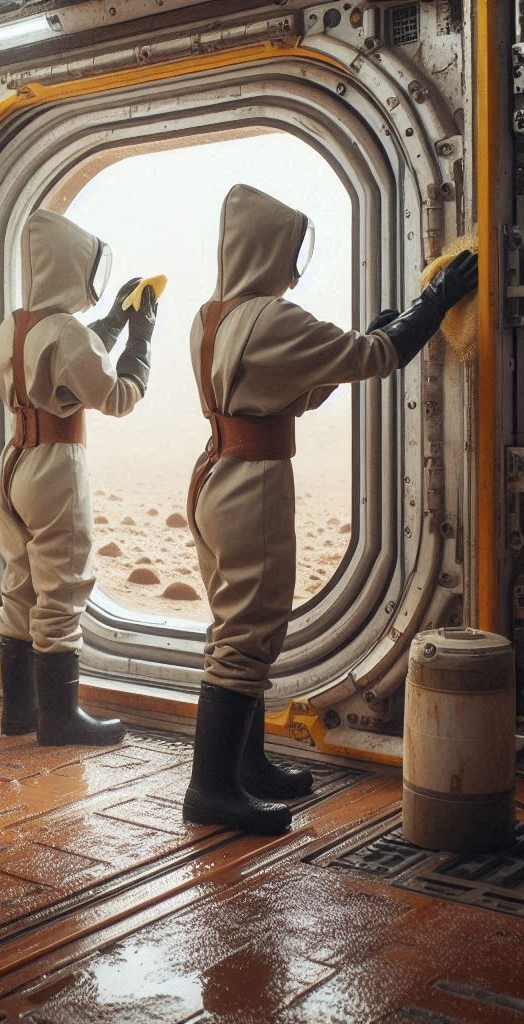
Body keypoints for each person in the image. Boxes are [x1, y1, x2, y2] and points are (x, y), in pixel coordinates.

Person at [184, 183, 478, 834]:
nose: (294, 266)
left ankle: (246, 765)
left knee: (233, 626)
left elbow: (296, 388)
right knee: (249, 634)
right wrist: (432, 302)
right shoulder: (273, 317)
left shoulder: (212, 317)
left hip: (215, 476)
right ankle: (211, 792)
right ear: (267, 249)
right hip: (254, 482)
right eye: (290, 250)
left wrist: (364, 338)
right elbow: (381, 357)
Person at [0, 209, 158, 745]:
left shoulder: (15, 324)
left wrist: (109, 321)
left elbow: (67, 359)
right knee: (63, 588)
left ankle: (20, 712)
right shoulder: (67, 332)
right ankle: (60, 720)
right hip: (54, 467)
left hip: (12, 462)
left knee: (19, 587)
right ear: (71, 268)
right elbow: (114, 395)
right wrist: (141, 341)